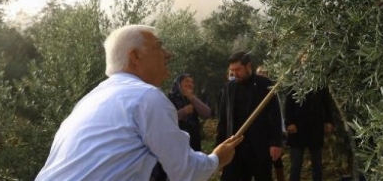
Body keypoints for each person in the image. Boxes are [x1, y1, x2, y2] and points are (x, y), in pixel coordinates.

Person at [35, 24, 243, 181]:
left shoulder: (90, 100)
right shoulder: (146, 97)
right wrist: (217, 159)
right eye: (159, 47)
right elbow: (185, 171)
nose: (168, 55)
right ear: (135, 56)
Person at [217, 51, 283, 181]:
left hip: (259, 148)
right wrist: (219, 147)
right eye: (232, 70)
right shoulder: (229, 88)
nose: (235, 74)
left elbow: (275, 116)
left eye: (238, 69)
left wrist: (276, 142)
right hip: (234, 149)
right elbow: (224, 119)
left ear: (248, 66)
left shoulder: (265, 85)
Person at [152, 74, 213, 181]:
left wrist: (192, 98)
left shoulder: (192, 100)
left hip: (192, 145)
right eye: (186, 81)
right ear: (178, 85)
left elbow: (207, 113)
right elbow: (164, 119)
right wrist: (183, 112)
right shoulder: (168, 99)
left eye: (192, 82)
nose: (190, 84)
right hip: (173, 147)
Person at [284, 86, 334, 181]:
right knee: (296, 164)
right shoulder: (294, 78)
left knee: (317, 164)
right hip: (297, 127)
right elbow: (288, 102)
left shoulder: (319, 80)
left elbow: (326, 101)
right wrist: (289, 122)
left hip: (315, 126)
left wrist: (329, 120)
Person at [256, 65, 286, 181]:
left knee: (276, 159)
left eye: (264, 73)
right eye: (259, 73)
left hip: (271, 132)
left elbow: (277, 112)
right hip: (259, 133)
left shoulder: (272, 91)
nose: (262, 75)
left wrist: (281, 130)